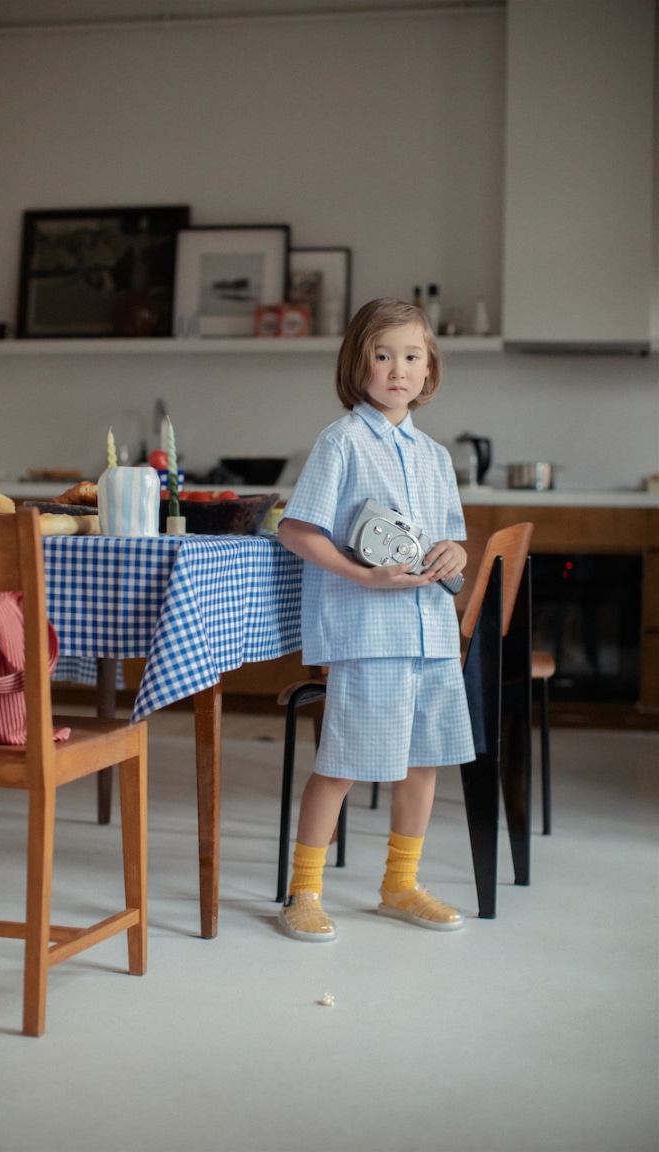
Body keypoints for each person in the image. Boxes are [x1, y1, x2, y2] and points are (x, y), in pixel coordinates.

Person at [277, 297, 475, 942]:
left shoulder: (435, 457)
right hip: (369, 633)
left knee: (425, 761)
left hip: (433, 634)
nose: (398, 369)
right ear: (358, 365)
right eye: (383, 356)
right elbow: (296, 529)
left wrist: (459, 551)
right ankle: (302, 892)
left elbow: (450, 539)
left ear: (429, 368)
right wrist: (365, 576)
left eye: (411, 357)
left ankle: (400, 884)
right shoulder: (342, 442)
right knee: (341, 762)